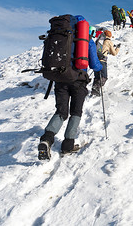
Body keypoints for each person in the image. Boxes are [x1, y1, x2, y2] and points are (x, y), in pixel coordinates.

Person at [38, 22, 102, 159]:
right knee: (76, 112)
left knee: (61, 111)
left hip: (61, 78)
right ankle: (68, 144)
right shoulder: (86, 40)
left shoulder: (64, 36)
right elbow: (95, 65)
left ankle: (47, 139)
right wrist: (100, 68)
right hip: (78, 81)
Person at [91, 30, 120, 96]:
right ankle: (96, 88)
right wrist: (117, 48)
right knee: (104, 77)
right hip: (103, 61)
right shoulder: (109, 41)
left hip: (96, 60)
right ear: (109, 36)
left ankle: (94, 90)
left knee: (97, 76)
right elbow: (114, 53)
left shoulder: (99, 40)